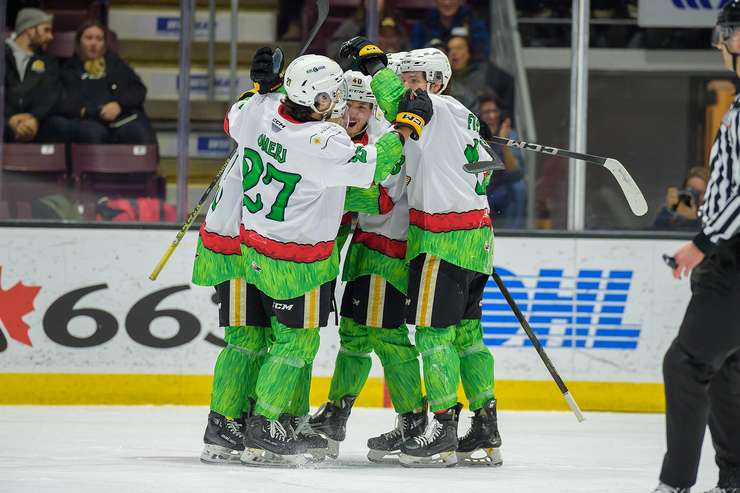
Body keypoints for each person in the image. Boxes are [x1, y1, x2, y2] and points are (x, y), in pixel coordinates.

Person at [192, 47, 433, 467]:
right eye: (334, 98)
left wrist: (260, 89)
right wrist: (408, 124)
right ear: (318, 100)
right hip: (295, 261)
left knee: (248, 340)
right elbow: (378, 165)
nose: (340, 106)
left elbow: (236, 116)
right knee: (294, 344)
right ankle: (264, 427)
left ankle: (226, 423)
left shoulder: (260, 113)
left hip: (251, 248)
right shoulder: (323, 140)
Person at [342, 40, 502, 468]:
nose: (408, 89)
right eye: (405, 79)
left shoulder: (433, 109)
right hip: (476, 235)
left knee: (434, 336)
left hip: (443, 238)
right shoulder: (462, 117)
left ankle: (444, 431)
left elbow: (397, 100)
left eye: (415, 80)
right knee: (468, 337)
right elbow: (486, 172)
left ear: (436, 81)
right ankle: (485, 424)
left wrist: (374, 63)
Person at [310, 69, 427, 463]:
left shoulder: (383, 143)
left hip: (386, 253)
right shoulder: (342, 139)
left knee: (388, 338)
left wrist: (314, 189)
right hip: (364, 252)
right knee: (355, 338)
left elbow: (380, 199)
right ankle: (335, 415)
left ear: (375, 110)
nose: (353, 114)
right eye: (349, 106)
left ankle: (414, 420)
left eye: (363, 106)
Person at [652, 2, 740, 492]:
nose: (723, 42)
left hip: (732, 258)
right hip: (728, 256)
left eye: (730, 32)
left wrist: (702, 243)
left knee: (685, 365)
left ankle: (675, 483)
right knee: (725, 367)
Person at [58, 20, 155, 145]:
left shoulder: (116, 64)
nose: (94, 43)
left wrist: (119, 105)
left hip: (121, 119)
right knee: (92, 133)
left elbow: (138, 90)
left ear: (104, 43)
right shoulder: (68, 69)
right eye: (89, 38)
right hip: (88, 121)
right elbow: (67, 102)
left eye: (99, 39)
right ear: (79, 42)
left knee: (138, 131)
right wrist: (95, 112)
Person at [3, 8, 69, 143]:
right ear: (29, 30)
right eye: (46, 30)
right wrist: (9, 119)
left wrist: (34, 118)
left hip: (37, 121)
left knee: (61, 126)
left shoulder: (48, 62)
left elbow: (51, 94)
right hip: (4, 119)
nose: (51, 37)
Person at [478, 93, 527, 229]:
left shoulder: (509, 134)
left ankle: (514, 233)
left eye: (494, 111)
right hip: (480, 188)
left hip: (501, 191)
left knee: (519, 187)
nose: (491, 116)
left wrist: (504, 142)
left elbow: (516, 172)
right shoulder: (473, 135)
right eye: (487, 112)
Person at [446, 30, 515, 116]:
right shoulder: (443, 79)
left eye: (459, 48)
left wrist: (505, 118)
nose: (454, 53)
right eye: (450, 49)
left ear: (469, 52)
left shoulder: (486, 72)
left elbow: (508, 84)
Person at [409, 0, 490, 58]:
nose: (447, 2)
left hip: (467, 76)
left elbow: (482, 54)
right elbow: (414, 55)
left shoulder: (473, 21)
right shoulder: (424, 23)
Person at [653, 166, 708, 231]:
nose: (694, 195)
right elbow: (656, 232)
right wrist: (670, 211)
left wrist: (692, 219)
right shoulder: (675, 209)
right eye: (691, 190)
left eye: (700, 192)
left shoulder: (714, 215)